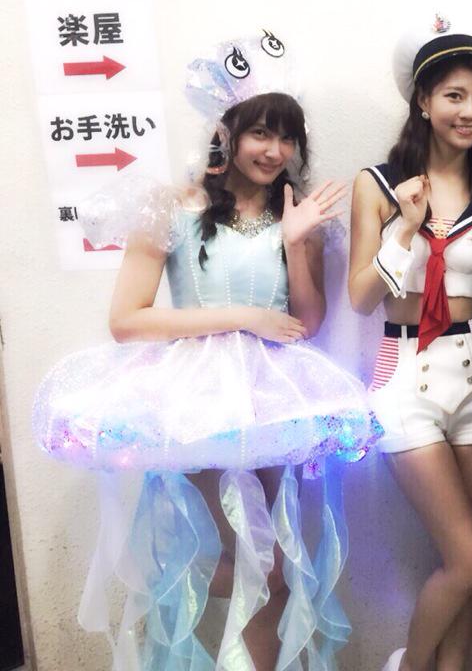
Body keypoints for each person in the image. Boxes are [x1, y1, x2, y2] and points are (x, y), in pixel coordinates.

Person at [33, 33, 381, 671]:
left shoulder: (297, 214)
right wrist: (244, 317)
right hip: (195, 396)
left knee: (270, 563)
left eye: (287, 138)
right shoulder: (173, 205)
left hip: (271, 394)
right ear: (228, 132)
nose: (274, 151)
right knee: (230, 558)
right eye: (261, 133)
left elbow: (306, 323)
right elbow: (127, 320)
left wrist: (296, 242)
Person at [347, 14, 472, 671]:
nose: (469, 111)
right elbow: (361, 297)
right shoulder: (379, 183)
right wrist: (406, 228)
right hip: (405, 373)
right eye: (453, 95)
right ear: (422, 100)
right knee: (469, 560)